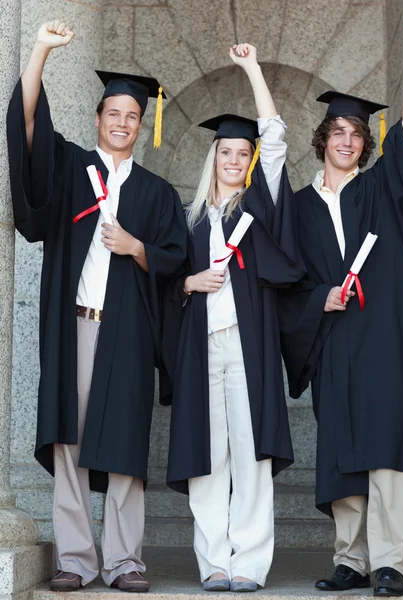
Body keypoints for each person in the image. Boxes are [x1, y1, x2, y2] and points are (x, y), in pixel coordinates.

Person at [7, 20, 187, 593]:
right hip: (76, 327)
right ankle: (78, 560)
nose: (122, 122)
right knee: (70, 442)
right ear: (98, 119)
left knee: (127, 444)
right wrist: (41, 51)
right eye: (113, 113)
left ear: (141, 125)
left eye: (132, 116)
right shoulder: (71, 169)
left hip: (129, 331)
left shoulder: (157, 193)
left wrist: (136, 247)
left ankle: (125, 561)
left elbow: (177, 259)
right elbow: (28, 125)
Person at [279, 19, 403, 597]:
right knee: (343, 445)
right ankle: (350, 561)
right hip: (333, 338)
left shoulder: (378, 187)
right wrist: (317, 299)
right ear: (322, 138)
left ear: (365, 142)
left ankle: (389, 564)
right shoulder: (300, 206)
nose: (348, 141)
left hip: (381, 334)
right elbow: (288, 278)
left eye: (357, 132)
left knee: (385, 442)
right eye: (339, 132)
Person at [161, 43, 304, 592]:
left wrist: (250, 69)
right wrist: (192, 282)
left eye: (242, 155)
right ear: (213, 157)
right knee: (208, 460)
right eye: (227, 153)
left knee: (250, 459)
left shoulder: (258, 212)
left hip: (250, 349)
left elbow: (275, 142)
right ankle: (214, 563)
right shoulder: (191, 219)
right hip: (204, 348)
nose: (236, 160)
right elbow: (167, 284)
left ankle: (248, 564)